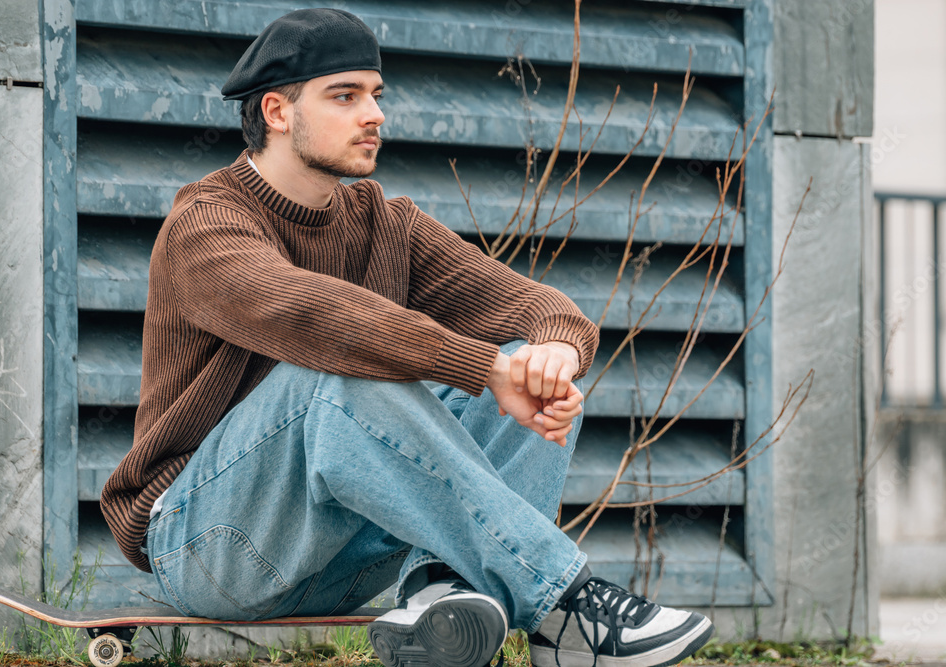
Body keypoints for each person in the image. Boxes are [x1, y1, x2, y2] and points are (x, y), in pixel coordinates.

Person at [100, 8, 714, 667]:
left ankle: (441, 595)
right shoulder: (206, 225)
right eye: (345, 95)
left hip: (341, 554)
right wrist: (484, 369)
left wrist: (550, 359)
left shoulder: (385, 225)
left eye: (376, 94)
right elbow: (313, 315)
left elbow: (542, 306)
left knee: (525, 367)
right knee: (334, 377)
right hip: (207, 541)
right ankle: (564, 606)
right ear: (277, 111)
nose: (375, 114)